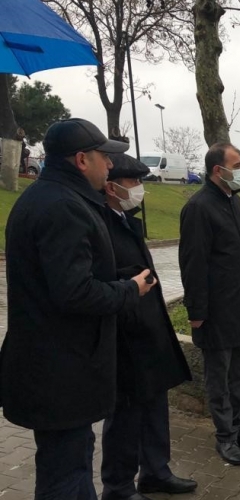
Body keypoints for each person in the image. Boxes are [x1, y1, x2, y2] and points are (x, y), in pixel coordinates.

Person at [0, 118, 157, 499]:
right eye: (105, 157)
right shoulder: (63, 208)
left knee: (68, 463)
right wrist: (128, 289)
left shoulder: (50, 197)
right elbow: (75, 294)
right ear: (82, 159)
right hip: (60, 372)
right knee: (66, 473)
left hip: (57, 368)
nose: (110, 166)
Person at [100, 153, 197, 500]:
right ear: (111, 187)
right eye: (133, 183)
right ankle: (119, 486)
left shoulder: (126, 218)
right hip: (125, 336)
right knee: (125, 416)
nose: (139, 189)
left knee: (155, 405)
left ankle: (156, 471)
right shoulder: (99, 222)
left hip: (149, 329)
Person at [178, 142, 240, 466]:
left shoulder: (236, 202)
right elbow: (193, 264)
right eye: (238, 164)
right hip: (215, 312)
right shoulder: (199, 207)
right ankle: (225, 437)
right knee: (219, 378)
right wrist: (197, 313)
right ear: (219, 170)